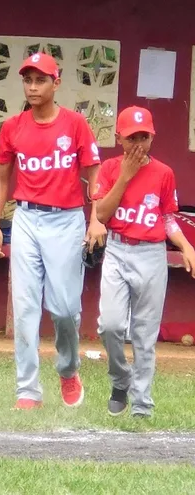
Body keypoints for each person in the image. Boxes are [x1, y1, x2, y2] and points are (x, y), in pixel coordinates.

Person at [0, 52, 106, 410]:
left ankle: (68, 369)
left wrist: (96, 219)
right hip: (26, 218)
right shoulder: (13, 126)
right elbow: (2, 177)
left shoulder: (75, 125)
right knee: (25, 307)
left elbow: (95, 175)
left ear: (56, 83)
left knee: (65, 309)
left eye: (41, 80)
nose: (33, 86)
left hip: (66, 219)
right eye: (28, 80)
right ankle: (27, 390)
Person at [93, 106, 195, 418]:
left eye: (144, 136)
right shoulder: (110, 169)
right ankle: (120, 378)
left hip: (151, 255)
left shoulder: (163, 173)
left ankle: (142, 404)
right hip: (119, 250)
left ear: (152, 137)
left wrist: (186, 246)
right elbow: (101, 215)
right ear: (119, 138)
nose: (138, 142)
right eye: (131, 136)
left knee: (144, 333)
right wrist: (125, 177)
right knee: (109, 325)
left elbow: (166, 219)